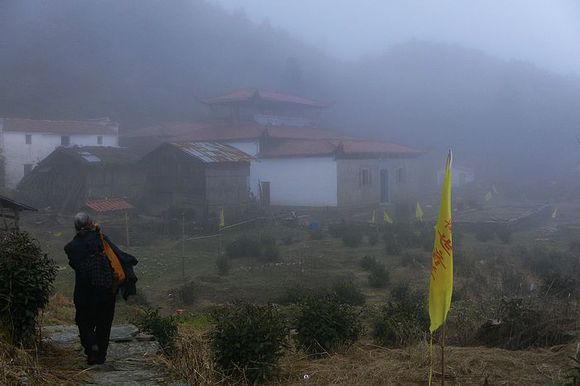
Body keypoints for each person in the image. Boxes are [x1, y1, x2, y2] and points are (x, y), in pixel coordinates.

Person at [64, 212, 138, 365]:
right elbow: (118, 256)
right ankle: (101, 355)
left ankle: (92, 350)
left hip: (83, 291)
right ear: (90, 223)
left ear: (76, 227)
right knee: (104, 322)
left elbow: (74, 265)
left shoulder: (72, 248)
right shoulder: (101, 239)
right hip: (105, 288)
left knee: (84, 321)